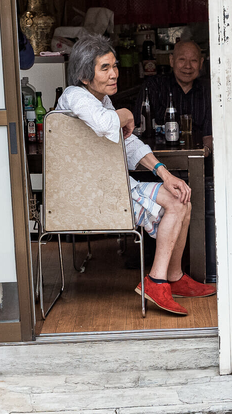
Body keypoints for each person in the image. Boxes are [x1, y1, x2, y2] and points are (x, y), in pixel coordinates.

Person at [56, 36, 216, 316]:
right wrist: (127, 112)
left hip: (111, 185)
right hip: (91, 194)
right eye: (104, 68)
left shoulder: (101, 101)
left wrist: (164, 174)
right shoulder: (75, 97)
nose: (114, 73)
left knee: (181, 196)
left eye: (114, 65)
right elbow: (108, 125)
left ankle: (174, 277)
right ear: (84, 75)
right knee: (177, 205)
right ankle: (156, 281)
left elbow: (129, 143)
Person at [136, 40, 214, 155]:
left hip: (200, 158)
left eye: (194, 60)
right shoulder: (153, 86)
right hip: (159, 159)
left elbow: (209, 136)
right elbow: (139, 128)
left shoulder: (208, 91)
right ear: (171, 61)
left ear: (201, 63)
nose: (188, 66)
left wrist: (202, 154)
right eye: (182, 60)